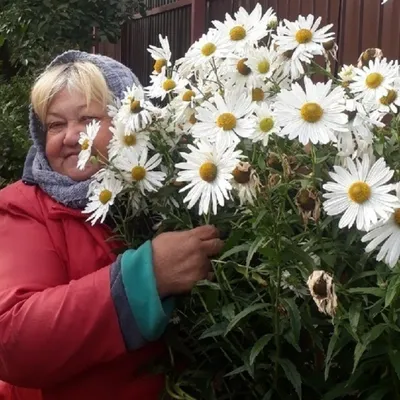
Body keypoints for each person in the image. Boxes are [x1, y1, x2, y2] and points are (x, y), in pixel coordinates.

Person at [0, 51, 224, 400]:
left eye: (88, 119)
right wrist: (147, 276)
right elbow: (13, 340)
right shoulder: (23, 208)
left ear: (129, 125)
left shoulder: (168, 195)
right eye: (56, 125)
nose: (73, 137)